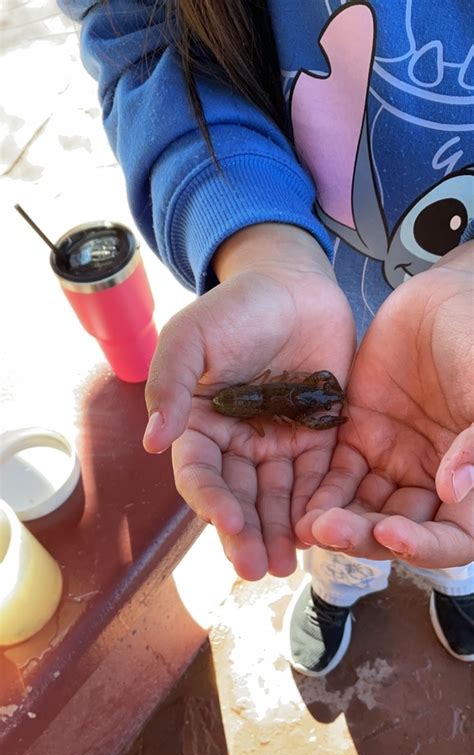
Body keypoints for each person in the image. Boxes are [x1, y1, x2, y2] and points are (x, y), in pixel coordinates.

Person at [60, 0, 474, 674]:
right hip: (308, 314)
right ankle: (339, 589)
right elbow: (144, 40)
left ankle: (459, 585)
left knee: (452, 503)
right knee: (329, 512)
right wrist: (261, 247)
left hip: (455, 383)